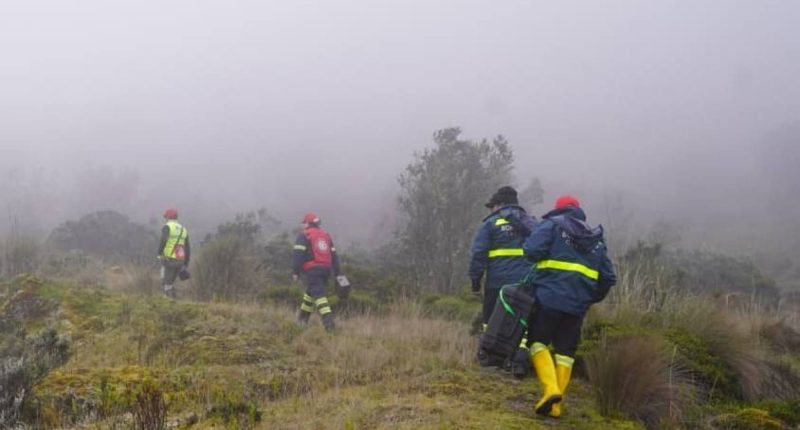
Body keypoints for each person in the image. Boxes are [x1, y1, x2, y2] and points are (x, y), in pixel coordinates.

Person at [522, 195, 616, 417]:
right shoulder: (596, 238)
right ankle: (556, 407)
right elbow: (608, 278)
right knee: (565, 352)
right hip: (577, 306)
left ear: (559, 209)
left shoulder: (553, 225)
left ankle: (550, 389)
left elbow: (531, 250)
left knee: (537, 342)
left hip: (548, 298)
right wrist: (590, 298)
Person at [468, 186, 537, 329]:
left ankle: (489, 343)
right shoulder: (532, 224)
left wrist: (475, 282)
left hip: (497, 284)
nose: (491, 210)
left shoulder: (490, 224)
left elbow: (479, 254)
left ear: (500, 205)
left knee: (491, 324)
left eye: (492, 206)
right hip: (526, 284)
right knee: (521, 326)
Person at [292, 212, 341, 332]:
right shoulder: (326, 235)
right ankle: (302, 322)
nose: (303, 225)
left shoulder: (304, 235)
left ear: (307, 223)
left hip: (312, 270)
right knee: (310, 295)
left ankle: (329, 325)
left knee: (319, 296)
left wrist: (295, 272)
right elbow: (334, 256)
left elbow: (298, 255)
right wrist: (337, 272)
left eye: (304, 223)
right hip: (326, 270)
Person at [157, 208, 190, 299]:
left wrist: (159, 253)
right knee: (170, 282)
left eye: (166, 217)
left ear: (168, 217)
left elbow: (163, 240)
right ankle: (172, 299)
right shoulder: (183, 229)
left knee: (166, 283)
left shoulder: (167, 227)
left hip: (169, 259)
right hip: (180, 260)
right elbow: (187, 247)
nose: (165, 219)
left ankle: (171, 300)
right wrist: (186, 262)